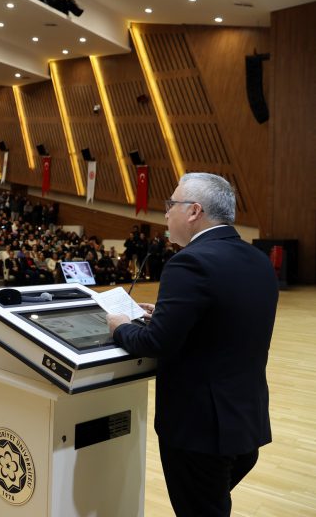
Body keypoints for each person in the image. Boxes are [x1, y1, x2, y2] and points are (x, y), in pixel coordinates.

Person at [106, 173, 278, 517]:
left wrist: (120, 327)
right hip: (245, 421)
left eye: (172, 205)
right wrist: (170, 315)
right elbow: (227, 321)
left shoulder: (189, 262)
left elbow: (156, 343)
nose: (166, 213)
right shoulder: (257, 258)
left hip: (200, 432)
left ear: (194, 211)